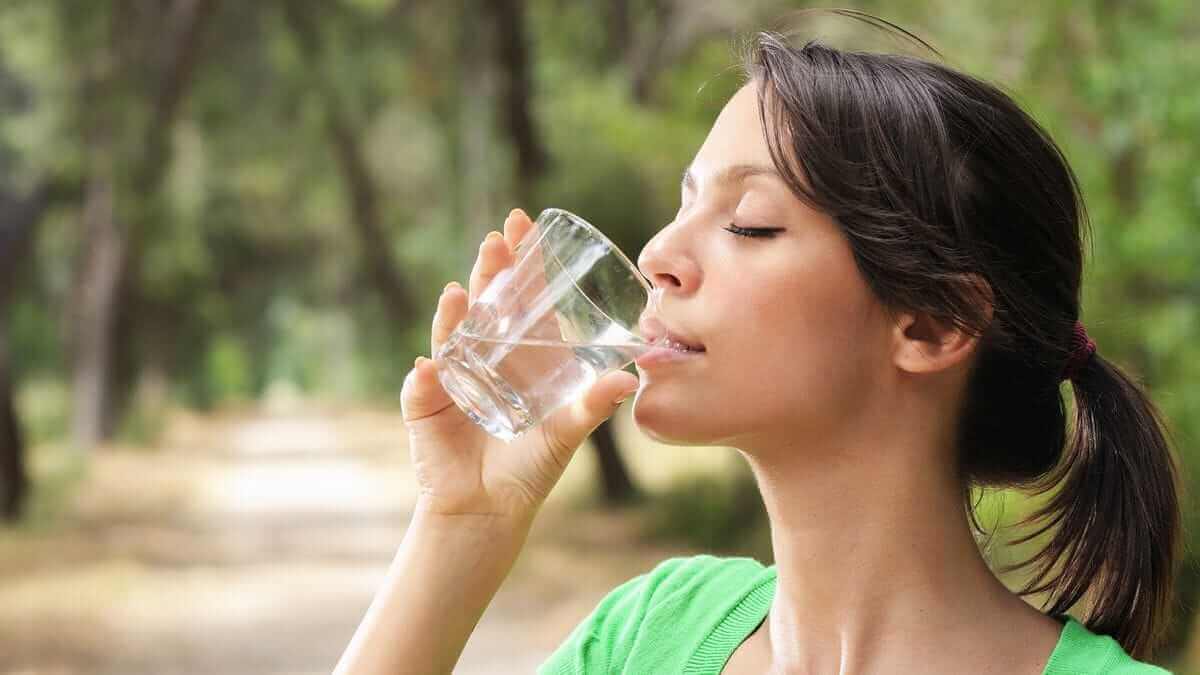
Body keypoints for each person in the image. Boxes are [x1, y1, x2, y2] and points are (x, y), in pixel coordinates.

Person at [333, 13, 1181, 675]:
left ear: (930, 325)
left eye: (749, 223)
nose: (659, 254)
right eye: (684, 203)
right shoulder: (653, 634)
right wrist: (460, 523)